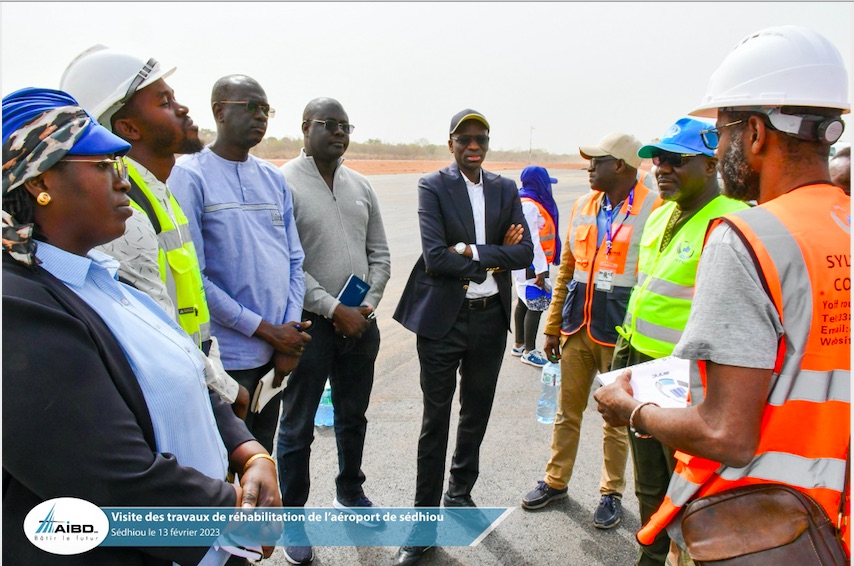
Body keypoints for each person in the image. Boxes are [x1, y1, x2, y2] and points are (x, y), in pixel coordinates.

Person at [594, 25, 850, 558]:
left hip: (760, 524)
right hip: (835, 521)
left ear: (755, 133)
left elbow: (726, 433)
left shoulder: (749, 237)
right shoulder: (842, 224)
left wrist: (629, 410)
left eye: (724, 131)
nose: (722, 143)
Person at [2, 88, 282, 565]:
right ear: (39, 180)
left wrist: (250, 451)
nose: (124, 183)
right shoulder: (17, 307)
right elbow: (110, 476)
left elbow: (186, 378)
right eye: (103, 166)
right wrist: (234, 512)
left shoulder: (103, 279)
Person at [59, 45, 249, 417]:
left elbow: (191, 307)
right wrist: (227, 395)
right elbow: (156, 330)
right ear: (128, 128)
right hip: (172, 398)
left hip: (196, 384)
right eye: (164, 102)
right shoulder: (123, 212)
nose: (182, 109)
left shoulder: (160, 192)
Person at [392, 109, 533, 565]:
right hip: (444, 322)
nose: (474, 146)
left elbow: (525, 252)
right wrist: (495, 256)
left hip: (490, 318)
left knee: (476, 410)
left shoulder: (505, 188)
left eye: (482, 138)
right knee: (437, 419)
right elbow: (435, 258)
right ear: (451, 142)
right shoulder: (433, 186)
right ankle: (423, 522)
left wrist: (471, 251)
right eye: (465, 139)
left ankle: (459, 491)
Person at [609, 117, 748, 565]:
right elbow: (645, 290)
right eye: (657, 160)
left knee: (691, 484)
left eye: (675, 160)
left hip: (692, 380)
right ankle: (651, 556)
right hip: (642, 362)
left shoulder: (732, 221)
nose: (661, 168)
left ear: (710, 166)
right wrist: (624, 353)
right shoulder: (662, 213)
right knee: (648, 479)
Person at [520, 133, 661, 531]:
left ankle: (610, 493)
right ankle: (555, 480)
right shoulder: (584, 205)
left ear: (619, 165)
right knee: (567, 412)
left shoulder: (654, 207)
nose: (589, 168)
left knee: (616, 419)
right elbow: (566, 270)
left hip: (619, 333)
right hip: (576, 327)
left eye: (596, 161)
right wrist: (551, 327)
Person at [169, 75, 310, 456]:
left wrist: (289, 333)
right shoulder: (190, 176)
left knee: (264, 457)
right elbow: (194, 277)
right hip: (226, 361)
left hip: (276, 355)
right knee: (228, 469)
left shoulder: (272, 178)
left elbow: (294, 260)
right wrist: (265, 330)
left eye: (266, 109)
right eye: (251, 107)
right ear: (219, 111)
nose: (261, 116)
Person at [277, 97, 391, 565]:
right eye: (329, 124)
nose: (339, 133)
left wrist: (365, 306)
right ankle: (292, 518)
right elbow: (286, 261)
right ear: (306, 128)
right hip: (310, 326)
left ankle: (350, 490)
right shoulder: (282, 183)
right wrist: (330, 307)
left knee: (352, 415)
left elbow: (380, 254)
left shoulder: (361, 184)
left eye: (345, 126)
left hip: (360, 323)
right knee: (298, 424)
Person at [511, 165, 561, 368]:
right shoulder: (530, 206)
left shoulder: (524, 201)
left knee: (524, 301)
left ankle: (519, 344)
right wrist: (540, 269)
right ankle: (530, 351)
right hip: (531, 263)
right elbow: (532, 240)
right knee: (536, 303)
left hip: (528, 262)